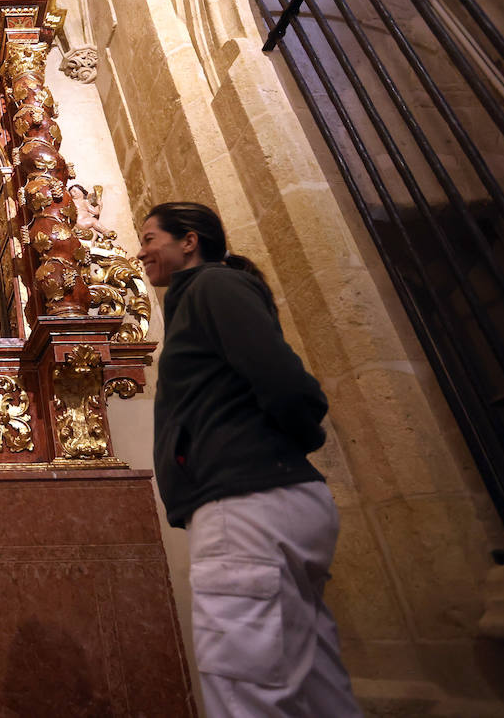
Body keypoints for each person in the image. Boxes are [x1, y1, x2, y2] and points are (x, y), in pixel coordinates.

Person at [136, 201, 359, 717]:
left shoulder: (214, 286)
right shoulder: (203, 293)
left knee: (246, 691)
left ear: (189, 241)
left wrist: (284, 441)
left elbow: (284, 381)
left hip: (246, 507)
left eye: (151, 238)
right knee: (315, 688)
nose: (142, 251)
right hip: (266, 497)